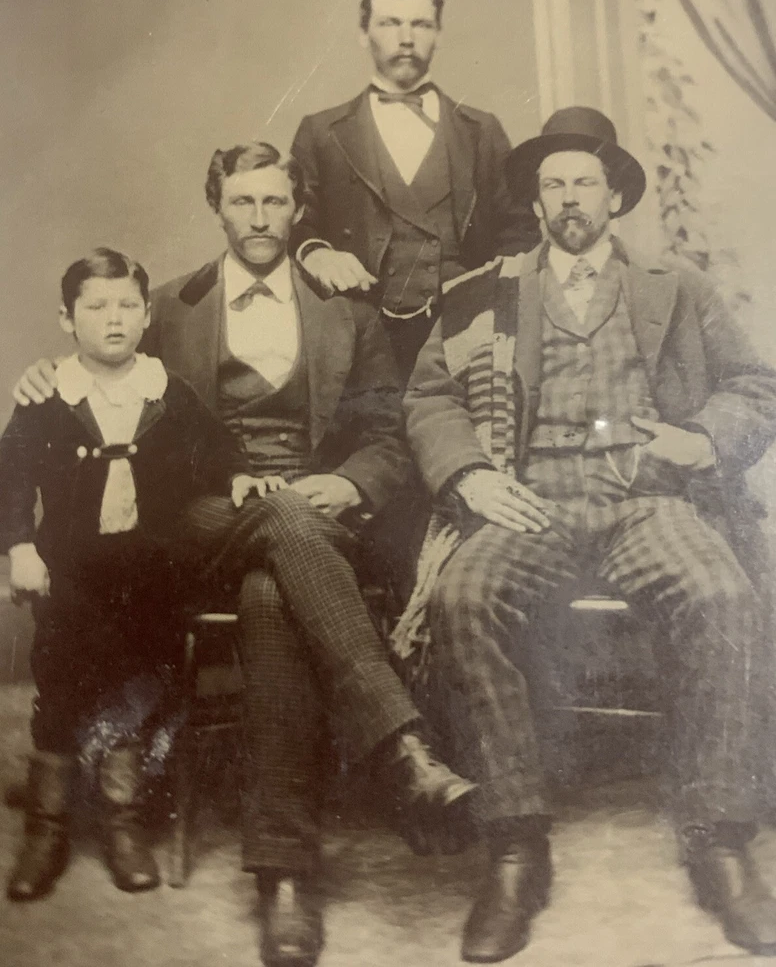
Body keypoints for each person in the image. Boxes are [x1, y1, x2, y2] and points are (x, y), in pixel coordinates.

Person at [12, 142, 475, 967]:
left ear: (297, 210)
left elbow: (387, 432)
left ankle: (284, 876)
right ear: (218, 208)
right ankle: (401, 750)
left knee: (271, 592)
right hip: (197, 515)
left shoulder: (349, 311)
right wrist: (42, 377)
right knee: (278, 535)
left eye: (274, 202)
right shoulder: (167, 306)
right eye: (242, 202)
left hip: (316, 512)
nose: (259, 218)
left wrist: (351, 484)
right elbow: (100, 362)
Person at [392, 107, 776, 961]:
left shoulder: (676, 288)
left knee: (723, 597)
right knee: (464, 598)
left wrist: (700, 438)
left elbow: (755, 385)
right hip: (532, 500)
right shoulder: (485, 294)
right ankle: (514, 845)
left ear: (615, 197)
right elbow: (430, 398)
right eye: (554, 185)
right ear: (536, 203)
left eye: (585, 183)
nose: (570, 199)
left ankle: (718, 839)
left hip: (646, 498)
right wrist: (470, 474)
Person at [0, 248, 249, 901]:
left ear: (145, 316)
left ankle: (123, 820)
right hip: (69, 574)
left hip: (150, 575)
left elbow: (218, 448)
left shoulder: (167, 390)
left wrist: (238, 475)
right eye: (96, 306)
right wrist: (19, 546)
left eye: (127, 306)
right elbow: (12, 475)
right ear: (67, 319)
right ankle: (47, 826)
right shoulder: (48, 394)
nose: (113, 319)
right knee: (60, 683)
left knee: (137, 683)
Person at [290, 0, 540, 383]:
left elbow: (520, 231)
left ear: (438, 34)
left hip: (463, 337)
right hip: (359, 339)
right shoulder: (321, 133)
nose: (406, 39)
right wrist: (317, 253)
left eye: (420, 24)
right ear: (363, 34)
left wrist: (486, 304)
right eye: (390, 23)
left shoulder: (482, 131)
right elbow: (296, 222)